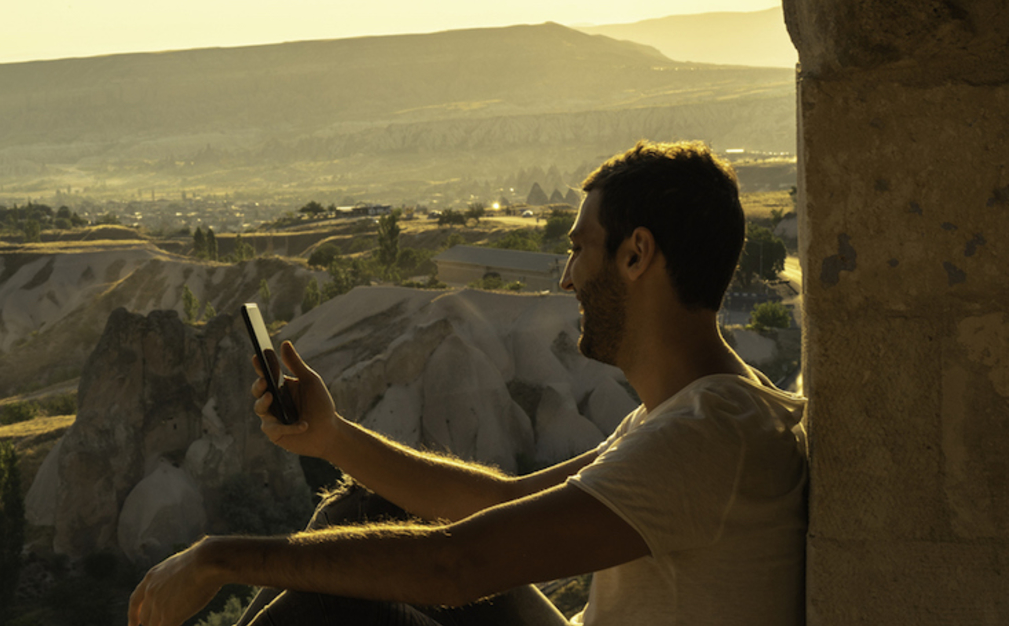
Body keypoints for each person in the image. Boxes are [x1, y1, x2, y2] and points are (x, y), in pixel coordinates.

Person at [128, 140, 808, 626]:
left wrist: (221, 559)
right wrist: (332, 437)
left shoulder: (707, 437)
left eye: (578, 249)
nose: (567, 279)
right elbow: (495, 501)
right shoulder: (695, 413)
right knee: (362, 514)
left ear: (636, 254)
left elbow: (456, 569)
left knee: (333, 608)